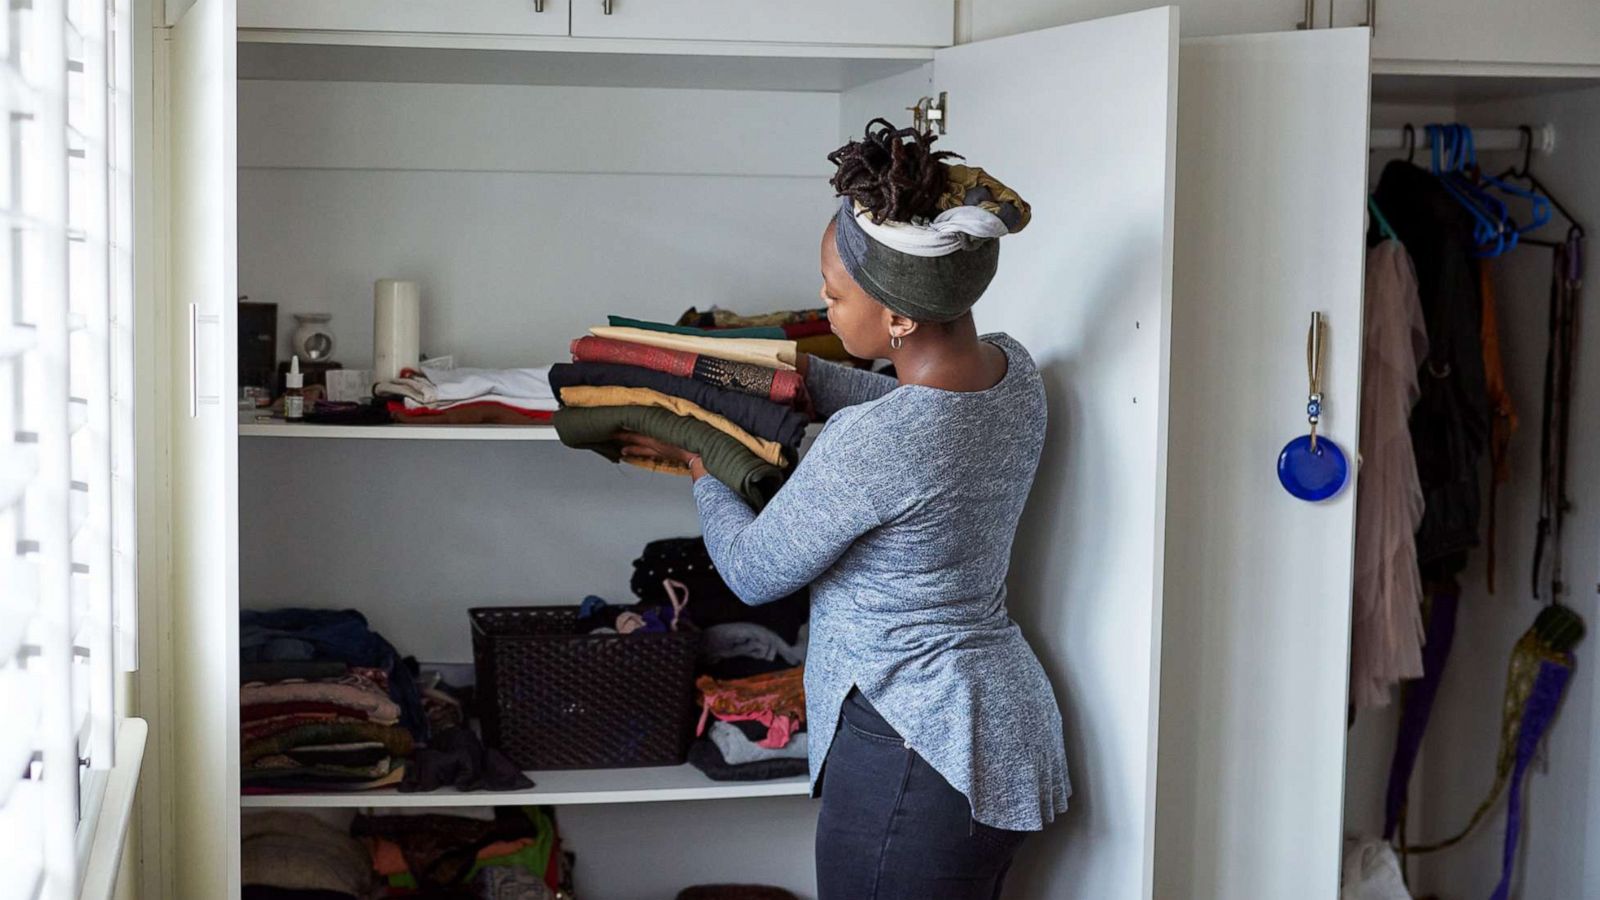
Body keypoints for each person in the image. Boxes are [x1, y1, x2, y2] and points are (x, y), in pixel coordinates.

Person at [617, 119, 1069, 900]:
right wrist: (792, 378)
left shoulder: (875, 443)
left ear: (897, 315)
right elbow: (911, 403)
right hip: (998, 726)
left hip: (911, 742)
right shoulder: (1011, 371)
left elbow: (755, 571)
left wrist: (703, 464)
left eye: (834, 294)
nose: (824, 309)